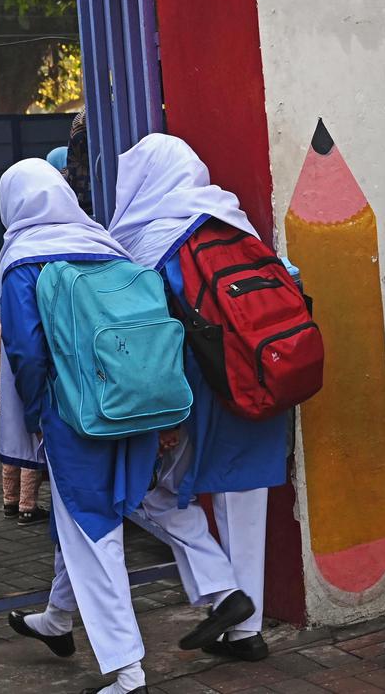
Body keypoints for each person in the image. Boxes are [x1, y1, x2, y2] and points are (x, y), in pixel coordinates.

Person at [107, 133, 285, 659]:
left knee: (145, 493)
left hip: (198, 392)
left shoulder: (152, 240)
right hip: (262, 377)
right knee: (245, 502)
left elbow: (148, 331)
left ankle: (220, 589)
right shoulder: (233, 220)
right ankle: (244, 632)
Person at [0, 159, 155, 694]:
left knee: (93, 532)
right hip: (135, 404)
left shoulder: (22, 260)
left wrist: (39, 415)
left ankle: (128, 671)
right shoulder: (105, 243)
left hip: (73, 414)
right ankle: (57, 619)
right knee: (84, 520)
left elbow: (24, 351)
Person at [0, 304, 47, 525]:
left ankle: (9, 500)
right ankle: (27, 507)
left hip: (2, 396)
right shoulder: (22, 328)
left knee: (11, 446)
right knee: (29, 450)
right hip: (25, 394)